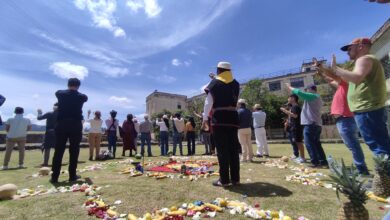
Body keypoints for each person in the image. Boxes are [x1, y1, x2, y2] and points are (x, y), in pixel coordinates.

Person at [330, 37, 390, 158]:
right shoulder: (366, 61)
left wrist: (336, 68)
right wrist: (327, 71)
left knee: (378, 145)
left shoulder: (364, 59)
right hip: (367, 109)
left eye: (350, 48)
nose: (347, 52)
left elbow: (356, 77)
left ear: (361, 46)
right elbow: (346, 79)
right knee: (378, 143)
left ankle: (386, 175)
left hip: (368, 109)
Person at [202, 61, 240, 187]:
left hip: (219, 119)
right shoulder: (236, 84)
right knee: (233, 149)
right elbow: (226, 86)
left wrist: (205, 119)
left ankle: (224, 180)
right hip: (233, 119)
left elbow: (208, 103)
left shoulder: (214, 83)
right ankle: (235, 179)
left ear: (218, 70)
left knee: (222, 150)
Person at [50, 78, 88, 183]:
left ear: (68, 84)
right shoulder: (82, 97)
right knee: (74, 150)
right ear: (78, 86)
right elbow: (85, 98)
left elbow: (58, 93)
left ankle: (55, 176)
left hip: (61, 124)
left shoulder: (60, 93)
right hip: (75, 124)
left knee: (58, 150)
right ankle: (72, 175)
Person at [286, 83, 328, 167]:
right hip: (316, 124)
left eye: (306, 90)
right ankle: (323, 161)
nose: (306, 91)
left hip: (311, 124)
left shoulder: (313, 96)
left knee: (309, 143)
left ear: (310, 89)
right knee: (316, 144)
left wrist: (290, 87)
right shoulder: (316, 97)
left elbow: (299, 93)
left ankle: (315, 162)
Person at [280, 95, 305, 163]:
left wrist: (285, 111)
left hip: (297, 126)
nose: (288, 99)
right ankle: (301, 157)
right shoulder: (294, 106)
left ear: (293, 98)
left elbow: (295, 115)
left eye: (289, 97)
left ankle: (302, 158)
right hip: (294, 127)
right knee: (297, 142)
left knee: (299, 142)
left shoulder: (295, 106)